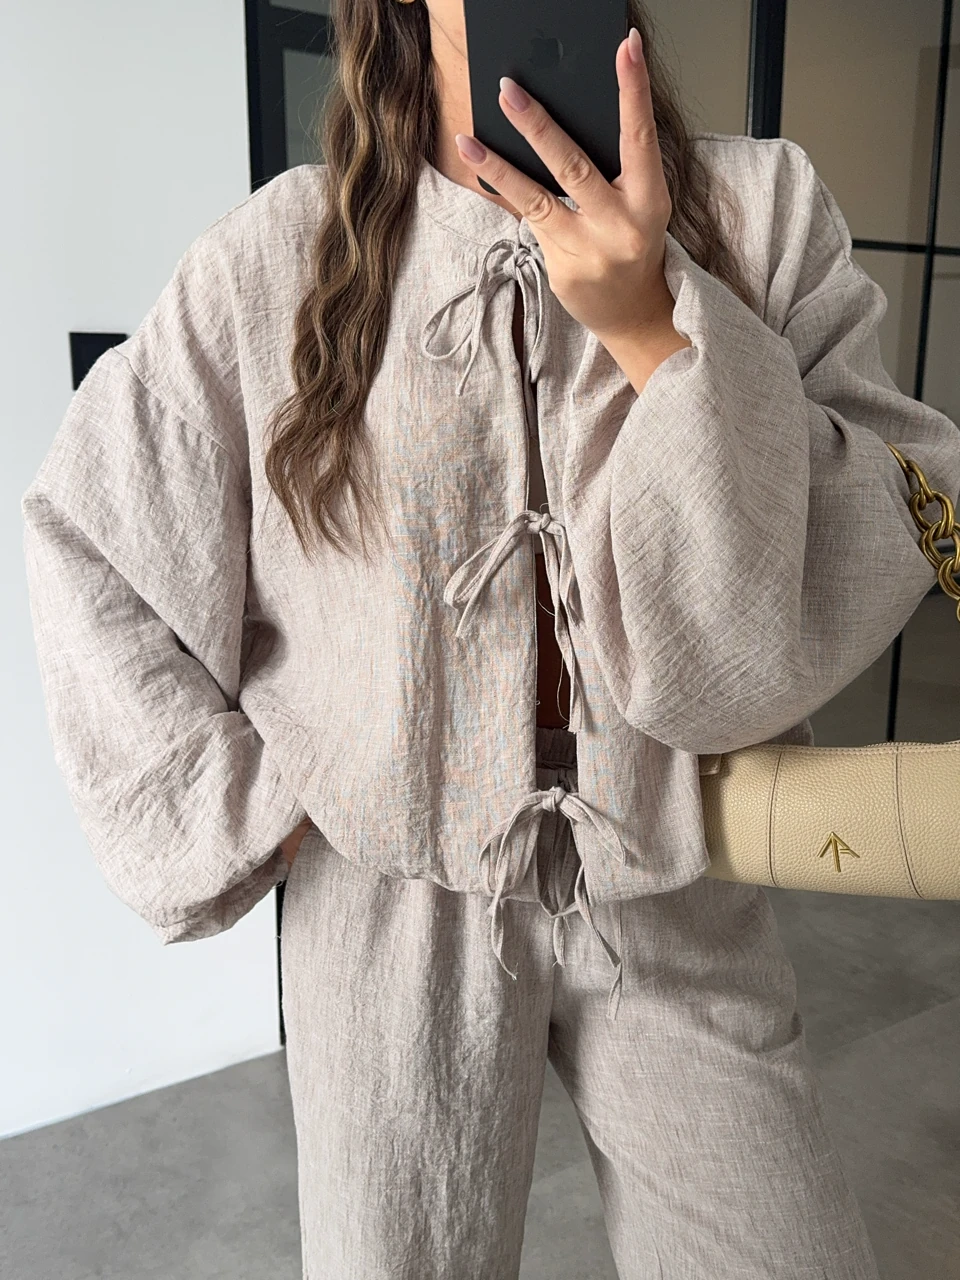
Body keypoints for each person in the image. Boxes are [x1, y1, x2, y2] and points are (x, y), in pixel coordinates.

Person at [21, 1, 960, 1276]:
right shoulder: (282, 254)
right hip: (392, 911)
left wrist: (656, 328)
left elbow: (902, 497)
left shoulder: (759, 212)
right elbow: (93, 529)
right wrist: (257, 795)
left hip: (679, 871)